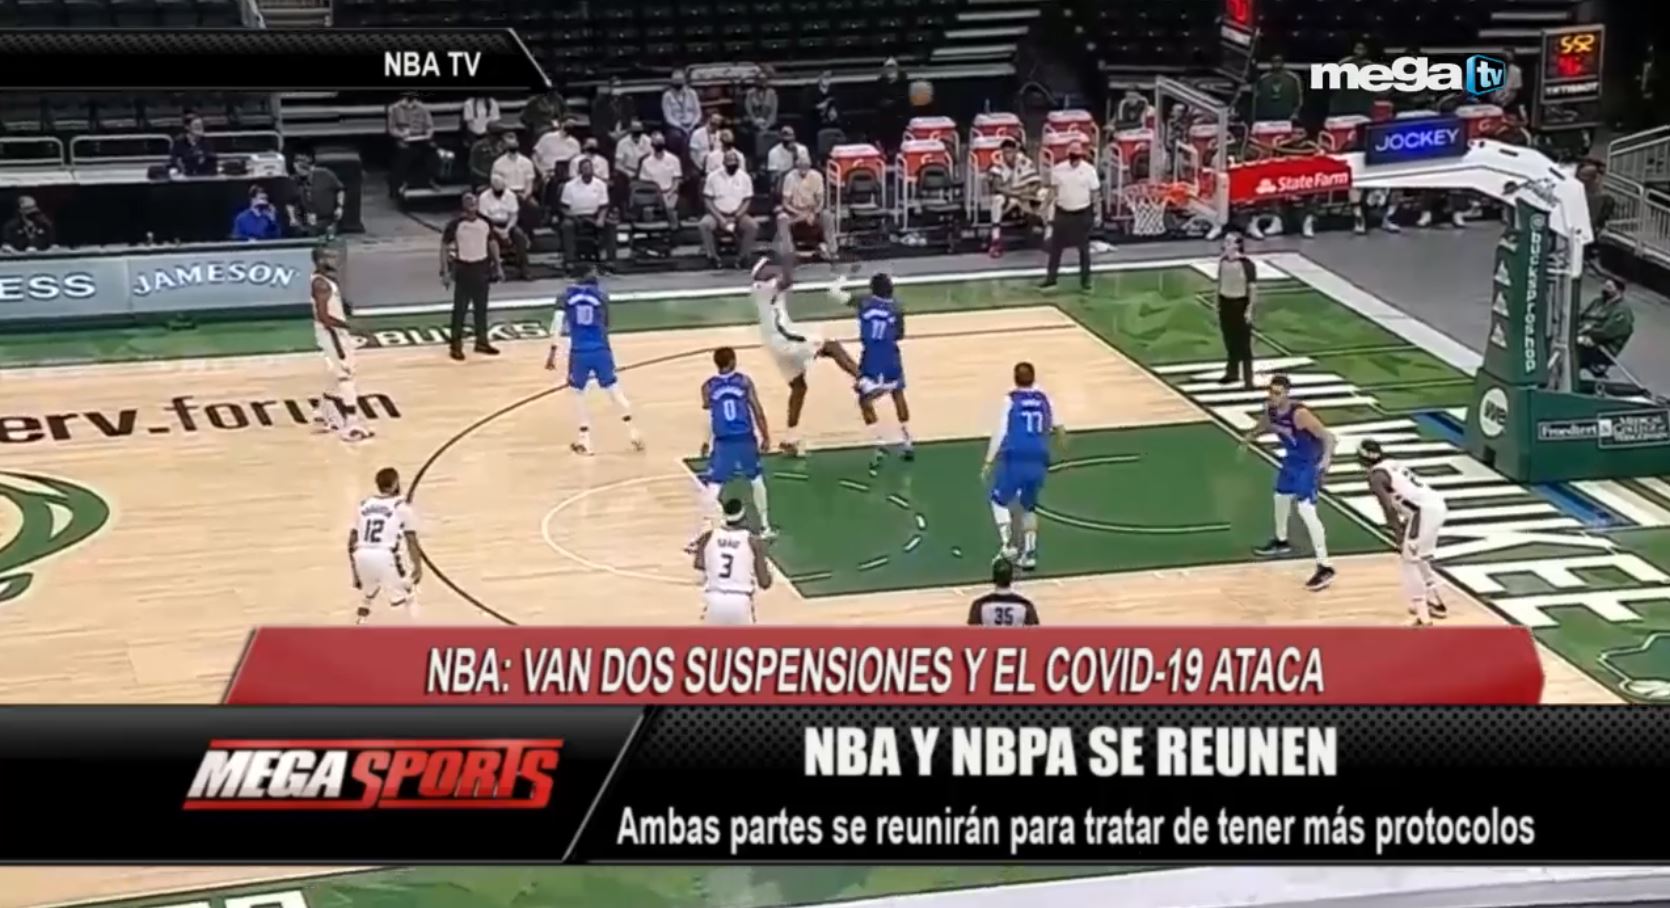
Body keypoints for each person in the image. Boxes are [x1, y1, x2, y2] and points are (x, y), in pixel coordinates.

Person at [751, 255, 862, 457]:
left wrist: (802, 257)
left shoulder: (763, 287)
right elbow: (787, 278)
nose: (773, 269)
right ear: (761, 273)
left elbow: (788, 273)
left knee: (799, 387)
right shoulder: (766, 287)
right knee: (832, 346)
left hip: (775, 343)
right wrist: (788, 251)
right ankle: (864, 380)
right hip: (784, 337)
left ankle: (789, 439)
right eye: (769, 267)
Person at [1246, 374, 1337, 592]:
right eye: (1271, 392)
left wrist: (1326, 460)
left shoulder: (1300, 414)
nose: (1273, 396)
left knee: (1306, 510)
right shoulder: (1270, 409)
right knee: (1280, 496)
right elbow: (1266, 423)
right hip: (1292, 460)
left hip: (1309, 463)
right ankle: (1281, 541)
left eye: (1278, 393)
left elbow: (1328, 437)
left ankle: (1325, 565)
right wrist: (1250, 436)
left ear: (1287, 394)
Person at [545, 267, 643, 454]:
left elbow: (556, 325)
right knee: (614, 391)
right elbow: (606, 325)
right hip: (601, 350)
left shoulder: (565, 296)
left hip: (579, 352)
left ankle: (585, 440)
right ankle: (634, 433)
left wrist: (552, 352)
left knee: (578, 394)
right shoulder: (602, 296)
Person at [982, 361, 1064, 569]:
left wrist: (989, 460)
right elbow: (1060, 428)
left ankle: (1008, 544)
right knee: (1029, 506)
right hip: (1038, 457)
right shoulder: (1045, 399)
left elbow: (1000, 432)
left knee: (998, 500)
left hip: (1016, 455)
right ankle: (1029, 554)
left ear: (1015, 378)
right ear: (1034, 377)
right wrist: (1056, 448)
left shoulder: (1011, 400)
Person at [691, 346, 775, 550]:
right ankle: (765, 526)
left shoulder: (708, 386)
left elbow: (709, 413)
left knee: (714, 485)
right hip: (744, 438)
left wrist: (705, 440)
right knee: (755, 479)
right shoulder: (744, 382)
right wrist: (766, 436)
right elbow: (757, 410)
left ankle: (699, 535)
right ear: (733, 361)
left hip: (722, 440)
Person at [830, 270, 913, 471]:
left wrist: (845, 276)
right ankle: (907, 440)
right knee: (897, 394)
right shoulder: (897, 307)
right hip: (891, 357)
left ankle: (879, 442)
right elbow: (900, 335)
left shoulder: (863, 301)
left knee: (865, 400)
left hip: (872, 359)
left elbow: (833, 293)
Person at [1359, 439, 1447, 626]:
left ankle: (1423, 617)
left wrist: (1398, 534)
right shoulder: (1392, 463)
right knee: (1419, 558)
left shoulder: (1375, 477)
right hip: (1435, 505)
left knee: (1409, 561)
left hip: (1422, 513)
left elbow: (1389, 508)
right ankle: (1435, 602)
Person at [310, 246, 373, 442]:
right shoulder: (321, 284)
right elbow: (323, 316)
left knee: (335, 375)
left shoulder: (324, 279)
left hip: (333, 334)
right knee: (346, 376)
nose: (334, 260)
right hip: (332, 335)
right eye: (329, 257)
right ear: (320, 260)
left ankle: (321, 415)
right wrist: (350, 326)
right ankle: (352, 424)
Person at [349, 467, 422, 625]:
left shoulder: (363, 505)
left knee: (368, 594)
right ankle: (417, 633)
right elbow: (411, 539)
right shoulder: (401, 507)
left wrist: (355, 571)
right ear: (396, 483)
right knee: (408, 595)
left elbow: (351, 541)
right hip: (385, 556)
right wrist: (417, 566)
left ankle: (359, 623)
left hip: (361, 555)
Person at [439, 193, 502, 362]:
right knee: (460, 309)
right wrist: (445, 271)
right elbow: (444, 246)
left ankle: (482, 341)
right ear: (463, 205)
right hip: (463, 268)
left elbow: (492, 243)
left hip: (481, 267)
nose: (471, 205)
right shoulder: (455, 224)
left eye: (474, 202)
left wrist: (498, 265)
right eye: (468, 202)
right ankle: (455, 344)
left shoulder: (485, 222)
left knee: (481, 308)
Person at [692, 497, 773, 625]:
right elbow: (765, 582)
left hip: (715, 599)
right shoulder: (752, 541)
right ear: (743, 517)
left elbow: (699, 564)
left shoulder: (708, 536)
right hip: (740, 601)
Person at [1039, 141, 1099, 290]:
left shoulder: (1089, 170)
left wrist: (1098, 213)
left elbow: (1095, 194)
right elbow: (1053, 191)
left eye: (1077, 155)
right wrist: (1044, 207)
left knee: (1084, 249)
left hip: (1082, 212)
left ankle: (1085, 280)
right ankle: (1051, 279)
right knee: (1056, 248)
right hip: (1063, 212)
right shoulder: (1058, 170)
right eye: (1073, 155)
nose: (1075, 159)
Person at [700, 150, 760, 268]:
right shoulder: (713, 177)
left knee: (752, 226)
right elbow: (708, 200)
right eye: (729, 161)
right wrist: (720, 218)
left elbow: (747, 199)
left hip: (738, 214)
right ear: (724, 162)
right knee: (704, 224)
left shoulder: (745, 177)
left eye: (734, 161)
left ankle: (742, 258)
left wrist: (737, 216)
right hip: (717, 214)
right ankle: (713, 258)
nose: (732, 164)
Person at [987, 138, 1045, 257]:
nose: (1007, 155)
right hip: (1010, 198)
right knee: (997, 199)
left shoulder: (1024, 161)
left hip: (1026, 196)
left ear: (1015, 151)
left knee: (1046, 194)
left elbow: (1036, 184)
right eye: (1005, 152)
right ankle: (996, 240)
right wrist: (1016, 194)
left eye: (1010, 151)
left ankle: (1049, 236)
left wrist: (1027, 193)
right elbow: (997, 187)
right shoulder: (997, 164)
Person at [559, 157, 618, 274]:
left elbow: (604, 206)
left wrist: (601, 218)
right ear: (580, 170)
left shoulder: (600, 184)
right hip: (575, 217)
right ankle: (570, 261)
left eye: (589, 168)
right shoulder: (569, 186)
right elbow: (564, 207)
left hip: (594, 215)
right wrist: (572, 216)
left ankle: (610, 260)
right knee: (567, 225)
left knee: (610, 224)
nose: (587, 170)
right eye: (584, 168)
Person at [1215, 232, 1259, 387]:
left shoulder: (1247, 265)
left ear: (1237, 245)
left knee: (1244, 345)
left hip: (1240, 304)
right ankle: (1232, 372)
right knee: (1229, 341)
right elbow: (1220, 283)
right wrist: (1217, 303)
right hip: (1225, 303)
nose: (1225, 244)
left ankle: (1248, 378)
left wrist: (1249, 310)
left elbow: (1252, 289)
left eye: (1229, 242)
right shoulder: (1223, 262)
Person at [775, 154, 836, 260]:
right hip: (794, 212)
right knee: (782, 218)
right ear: (797, 165)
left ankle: (832, 251)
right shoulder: (790, 177)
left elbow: (820, 201)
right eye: (801, 165)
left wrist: (812, 213)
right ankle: (788, 253)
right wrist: (800, 214)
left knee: (827, 215)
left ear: (810, 165)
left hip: (812, 211)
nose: (803, 168)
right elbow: (785, 203)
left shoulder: (817, 176)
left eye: (806, 166)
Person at [1576, 277, 1634, 377]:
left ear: (1619, 291)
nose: (1605, 289)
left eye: (1609, 287)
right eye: (1605, 286)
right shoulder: (1597, 302)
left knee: (1574, 351)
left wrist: (1589, 333)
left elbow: (1606, 332)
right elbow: (1581, 318)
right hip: (1583, 338)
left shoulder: (1623, 311)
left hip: (1603, 350)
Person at [478, 173, 530, 280]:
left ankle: (524, 267)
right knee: (488, 237)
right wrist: (498, 231)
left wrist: (507, 230)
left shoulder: (510, 196)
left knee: (519, 235)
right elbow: (484, 219)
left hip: (508, 224)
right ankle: (493, 269)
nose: (499, 193)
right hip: (491, 225)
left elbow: (514, 215)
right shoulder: (484, 197)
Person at [385, 92, 435, 198]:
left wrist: (428, 135)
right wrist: (401, 134)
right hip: (403, 139)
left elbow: (430, 127)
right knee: (406, 153)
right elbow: (391, 129)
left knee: (432, 150)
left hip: (421, 138)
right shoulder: (395, 108)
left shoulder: (423, 108)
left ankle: (426, 181)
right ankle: (397, 186)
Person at [968, 558, 1039, 626]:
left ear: (994, 578)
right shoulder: (1025, 605)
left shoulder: (979, 605)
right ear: (1011, 578)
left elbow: (972, 632)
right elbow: (1035, 633)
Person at [289, 151, 345, 237]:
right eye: (298, 169)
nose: (302, 173)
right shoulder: (293, 181)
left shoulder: (325, 174)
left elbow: (340, 190)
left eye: (304, 169)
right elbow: (290, 202)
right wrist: (294, 218)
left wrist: (340, 207)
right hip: (307, 221)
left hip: (328, 219)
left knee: (329, 237)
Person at [639, 132, 684, 231]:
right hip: (653, 194)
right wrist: (657, 195)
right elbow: (644, 183)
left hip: (670, 192)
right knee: (648, 213)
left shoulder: (674, 159)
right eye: (656, 142)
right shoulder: (646, 162)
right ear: (652, 144)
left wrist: (671, 192)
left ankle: (674, 229)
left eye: (661, 142)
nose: (659, 144)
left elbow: (677, 180)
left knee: (669, 207)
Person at [661, 69, 703, 159]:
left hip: (692, 125)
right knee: (677, 137)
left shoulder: (692, 93)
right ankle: (681, 160)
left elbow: (698, 113)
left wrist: (692, 125)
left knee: (697, 135)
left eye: (680, 80)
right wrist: (681, 127)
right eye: (676, 81)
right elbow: (668, 117)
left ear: (684, 80)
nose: (678, 83)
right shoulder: (667, 96)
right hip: (676, 126)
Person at [1252, 54, 1304, 123]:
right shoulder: (1263, 79)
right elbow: (1256, 99)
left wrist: (1295, 113)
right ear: (1271, 63)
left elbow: (1299, 99)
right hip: (1266, 117)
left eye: (1278, 61)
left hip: (1287, 117)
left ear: (1282, 63)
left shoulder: (1293, 78)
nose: (1276, 63)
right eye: (1275, 61)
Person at [872, 57, 910, 151]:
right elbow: (877, 101)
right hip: (885, 119)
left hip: (900, 118)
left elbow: (906, 100)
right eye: (888, 67)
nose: (890, 69)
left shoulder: (904, 83)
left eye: (892, 66)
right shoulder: (880, 83)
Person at [592, 76, 635, 154]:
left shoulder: (627, 101)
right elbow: (596, 121)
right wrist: (609, 134)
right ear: (610, 87)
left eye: (620, 86)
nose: (618, 89)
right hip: (606, 136)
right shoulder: (600, 102)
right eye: (615, 86)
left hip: (624, 135)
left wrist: (624, 132)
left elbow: (631, 118)